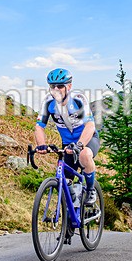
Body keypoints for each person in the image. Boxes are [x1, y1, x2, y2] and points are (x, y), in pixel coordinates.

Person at [34, 68, 100, 205]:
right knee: (65, 182)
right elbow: (39, 126)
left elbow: (90, 125)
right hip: (68, 144)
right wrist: (41, 145)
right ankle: (71, 208)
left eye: (60, 86)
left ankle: (90, 190)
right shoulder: (48, 102)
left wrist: (80, 145)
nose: (56, 89)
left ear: (68, 86)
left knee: (85, 155)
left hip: (86, 139)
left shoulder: (78, 99)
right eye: (52, 86)